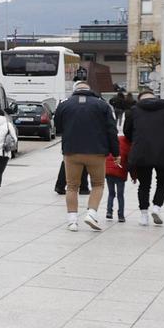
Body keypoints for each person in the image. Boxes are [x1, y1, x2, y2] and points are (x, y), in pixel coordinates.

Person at [53, 78, 117, 231]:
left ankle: (72, 221)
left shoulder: (64, 105)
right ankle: (91, 213)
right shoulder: (102, 105)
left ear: (75, 90)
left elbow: (58, 127)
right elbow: (111, 130)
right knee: (98, 184)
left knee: (72, 186)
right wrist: (116, 152)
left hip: (71, 151)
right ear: (90, 90)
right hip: (97, 152)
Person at [123, 88, 164, 227]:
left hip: (141, 151)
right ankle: (157, 207)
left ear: (140, 99)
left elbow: (127, 132)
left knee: (144, 185)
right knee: (163, 182)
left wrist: (137, 140)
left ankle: (144, 215)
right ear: (155, 97)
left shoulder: (133, 111)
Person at [104, 132, 129, 224]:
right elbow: (130, 161)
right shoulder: (127, 145)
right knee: (120, 195)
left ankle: (109, 212)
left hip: (109, 172)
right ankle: (121, 215)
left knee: (111, 193)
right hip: (120, 173)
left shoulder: (110, 144)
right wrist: (134, 176)